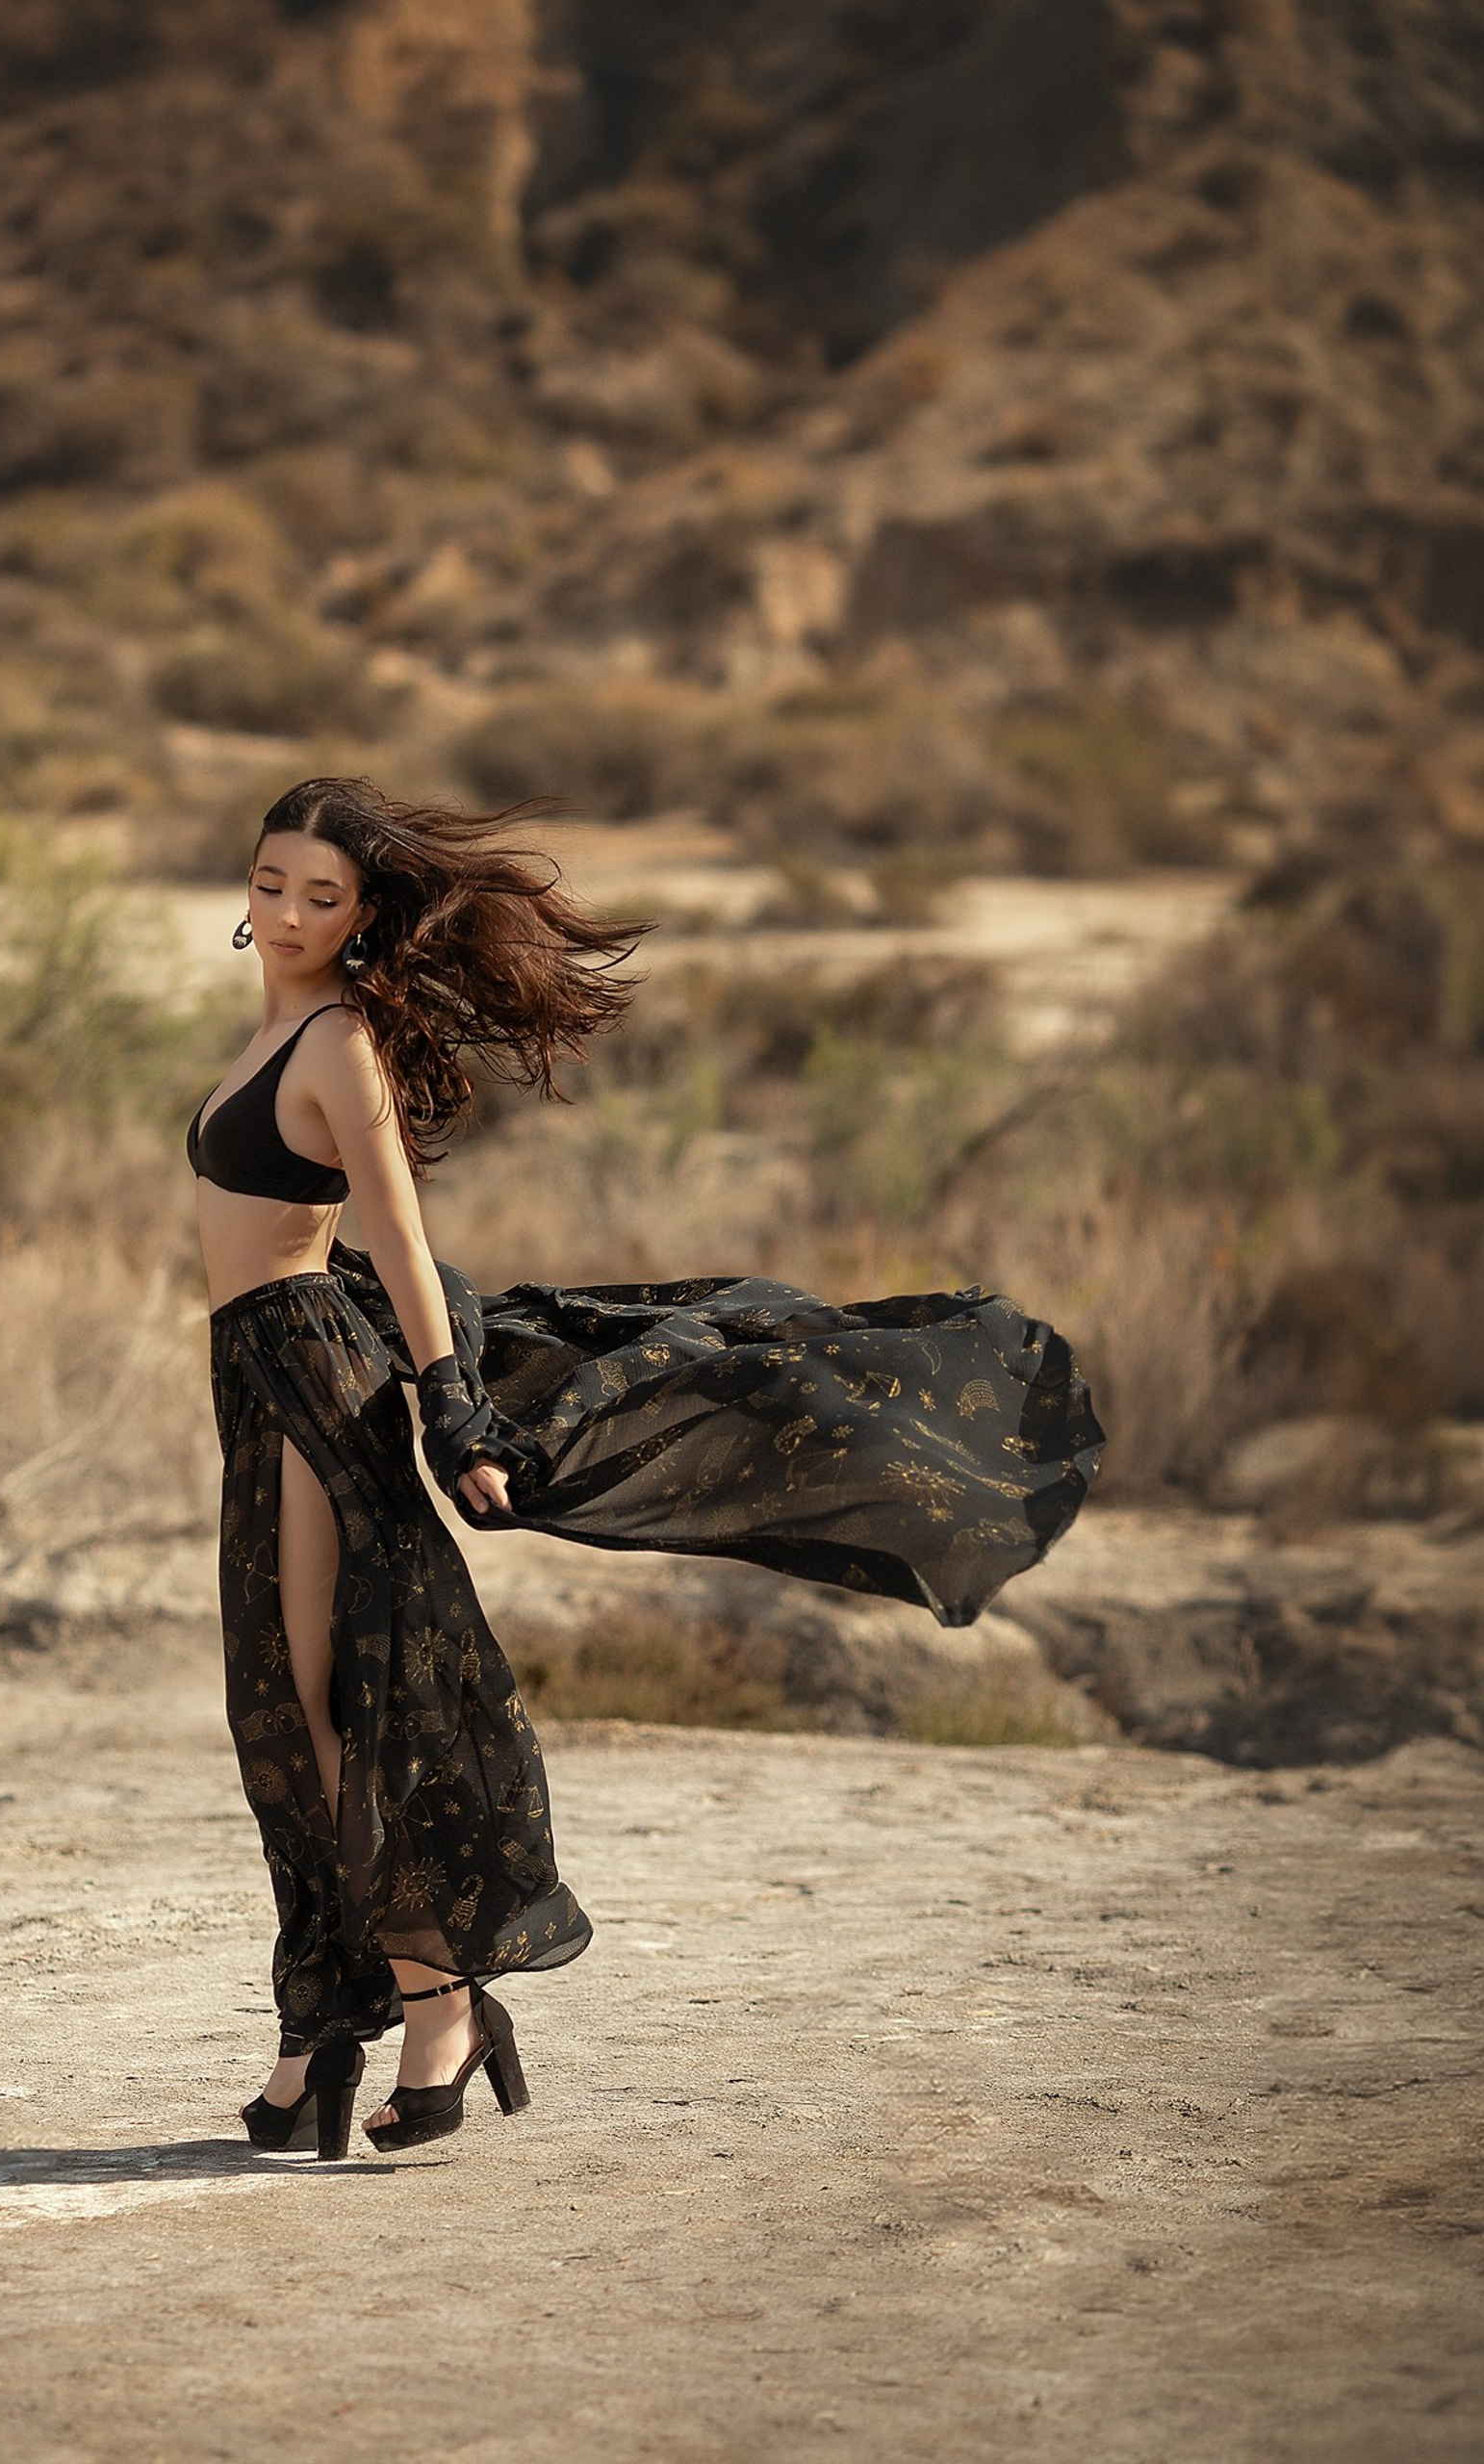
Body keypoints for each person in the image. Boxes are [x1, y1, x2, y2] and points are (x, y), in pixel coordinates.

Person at [191, 778, 1103, 2161]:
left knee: (318, 1711)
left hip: (314, 1375)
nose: (293, 914)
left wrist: (457, 1413)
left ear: (368, 914)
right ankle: (341, 2030)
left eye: (325, 896)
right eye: (273, 886)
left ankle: (410, 2016)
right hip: (261, 1375)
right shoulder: (275, 1027)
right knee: (288, 1711)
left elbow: (398, 1227)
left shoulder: (339, 1047)